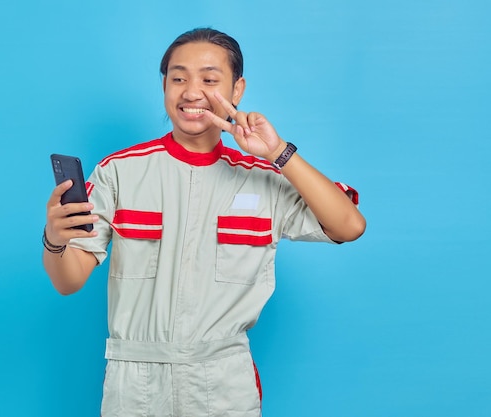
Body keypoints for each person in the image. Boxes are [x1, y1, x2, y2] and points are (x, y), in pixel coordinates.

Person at [43, 27, 366, 417]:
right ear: (164, 85)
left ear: (237, 90)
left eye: (210, 79)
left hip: (222, 381)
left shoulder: (263, 178)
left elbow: (349, 226)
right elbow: (68, 281)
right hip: (134, 382)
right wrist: (54, 240)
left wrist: (278, 152)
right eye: (178, 78)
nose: (192, 92)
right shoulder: (119, 172)